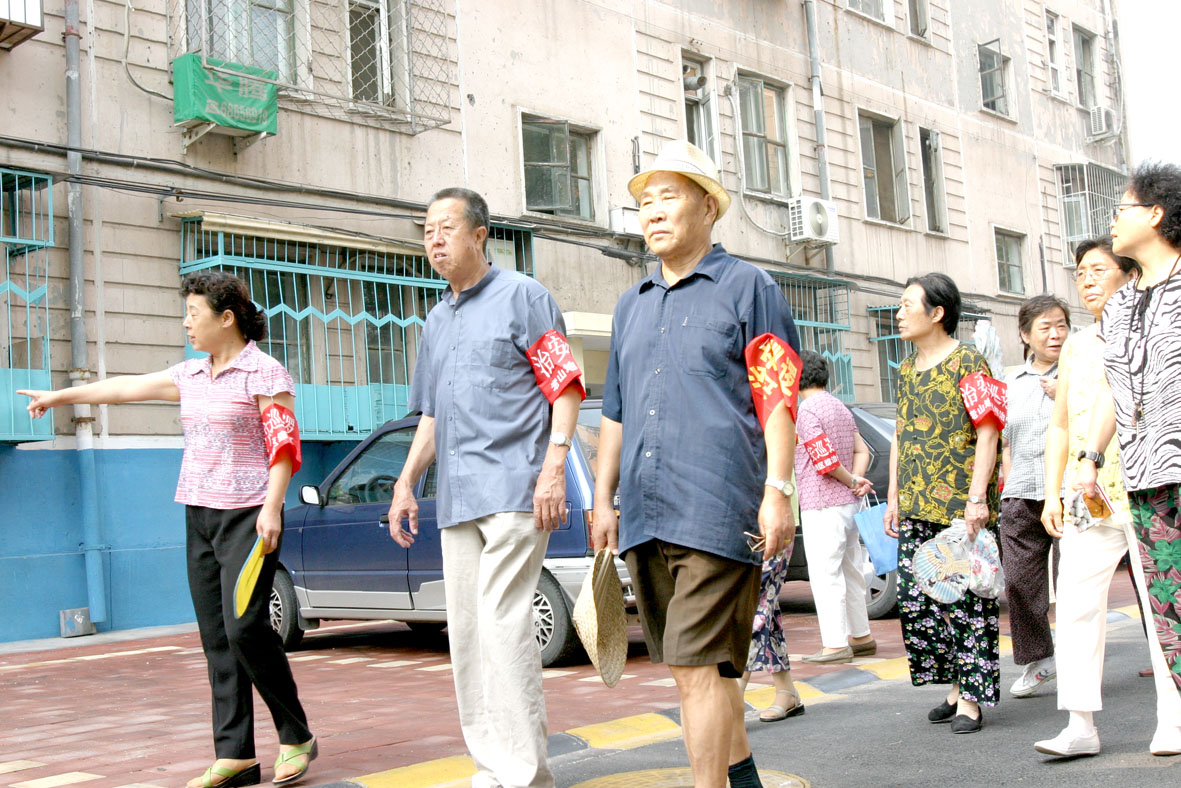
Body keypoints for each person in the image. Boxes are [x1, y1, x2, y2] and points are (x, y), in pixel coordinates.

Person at [20, 271, 315, 788]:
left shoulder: (263, 373)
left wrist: (273, 507)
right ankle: (236, 754)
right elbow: (124, 387)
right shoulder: (191, 374)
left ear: (226, 318)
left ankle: (295, 737)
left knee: (246, 628)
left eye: (193, 314)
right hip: (199, 515)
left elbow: (283, 445)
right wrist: (59, 397)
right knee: (217, 637)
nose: (186, 323)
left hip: (250, 515)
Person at [592, 140, 801, 788]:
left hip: (717, 506)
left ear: (707, 207)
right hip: (646, 514)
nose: (652, 214)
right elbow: (615, 412)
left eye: (667, 198)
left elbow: (776, 396)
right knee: (704, 670)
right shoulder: (630, 305)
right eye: (643, 203)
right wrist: (602, 500)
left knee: (692, 667)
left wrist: (778, 490)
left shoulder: (749, 288)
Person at [385, 188, 583, 788]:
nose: (434, 239)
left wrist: (553, 469)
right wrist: (404, 482)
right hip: (458, 498)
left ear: (480, 235)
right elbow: (431, 415)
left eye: (446, 227)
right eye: (426, 230)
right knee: (467, 636)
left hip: (516, 489)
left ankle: (526, 772)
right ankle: (490, 766)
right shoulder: (436, 320)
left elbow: (566, 388)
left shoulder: (524, 297)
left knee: (503, 625)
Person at [1034, 236, 1162, 757]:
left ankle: (1173, 719)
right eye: (1080, 272)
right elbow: (1060, 424)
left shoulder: (1153, 328)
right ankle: (1080, 725)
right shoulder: (1078, 345)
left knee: (1160, 609)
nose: (1085, 280)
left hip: (1149, 488)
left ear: (1127, 274)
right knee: (1077, 606)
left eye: (1097, 270)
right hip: (1087, 496)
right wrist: (1051, 493)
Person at [1077, 161, 1181, 756]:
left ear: (1156, 214)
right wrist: (1091, 456)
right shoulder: (1117, 308)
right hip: (1146, 477)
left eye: (1122, 208)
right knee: (1169, 613)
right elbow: (1118, 392)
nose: (1113, 220)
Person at [885, 272, 1002, 734]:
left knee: (968, 600)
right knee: (922, 603)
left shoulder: (971, 362)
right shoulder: (906, 369)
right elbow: (900, 433)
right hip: (915, 502)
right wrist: (894, 496)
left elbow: (989, 432)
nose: (899, 313)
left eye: (907, 305)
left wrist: (977, 500)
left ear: (938, 313)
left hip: (959, 506)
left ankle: (972, 698)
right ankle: (954, 685)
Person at [1000, 295, 1070, 698]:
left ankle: (1078, 655)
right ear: (1025, 335)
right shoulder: (1010, 384)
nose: (1055, 334)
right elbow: (1006, 443)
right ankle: (1041, 659)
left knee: (1074, 580)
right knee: (1019, 581)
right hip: (1022, 492)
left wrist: (1065, 392)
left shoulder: (1080, 374)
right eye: (1044, 327)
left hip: (1068, 490)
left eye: (1061, 324)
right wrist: (1008, 487)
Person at [794, 351, 876, 666]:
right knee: (851, 570)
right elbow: (860, 449)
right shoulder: (839, 406)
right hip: (849, 504)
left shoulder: (807, 411)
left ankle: (834, 644)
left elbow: (824, 460)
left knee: (825, 573)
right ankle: (861, 636)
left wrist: (848, 478)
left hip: (822, 502)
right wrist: (856, 480)